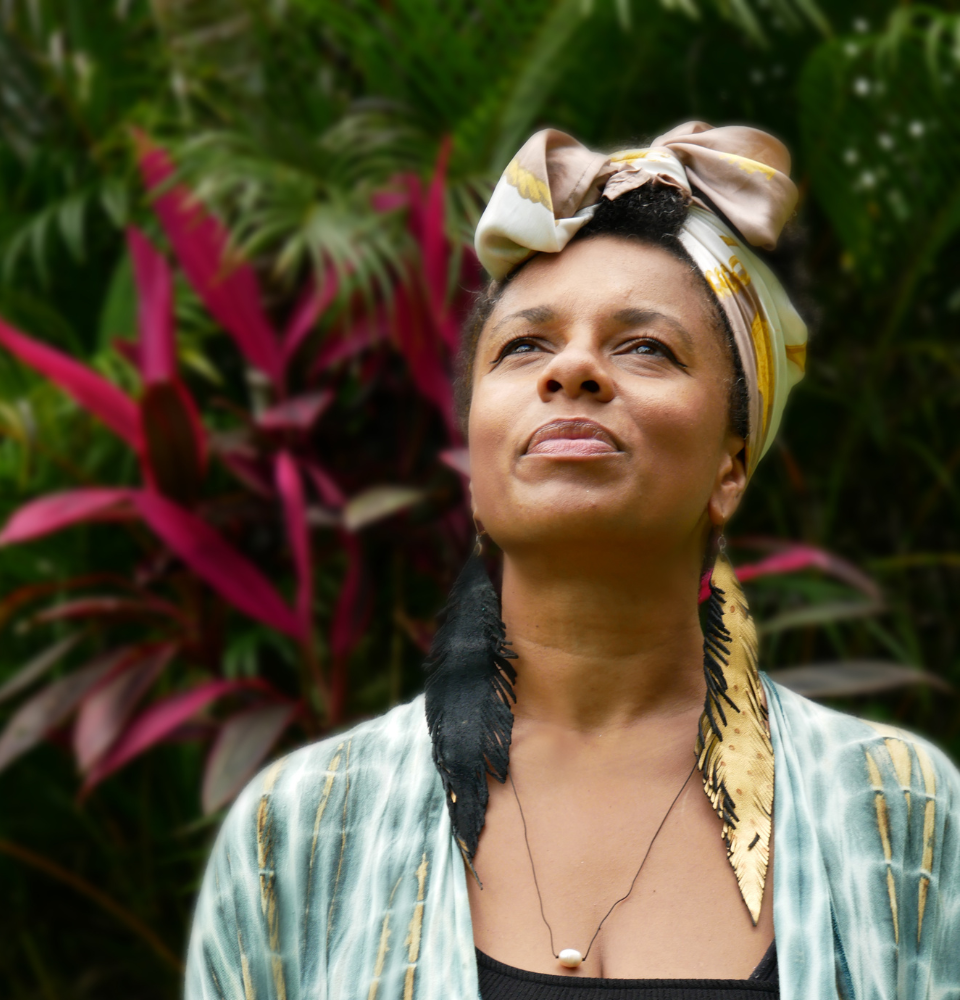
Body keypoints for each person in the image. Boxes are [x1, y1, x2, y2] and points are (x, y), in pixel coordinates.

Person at [184, 124, 960, 1000]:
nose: (576, 368)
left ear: (731, 466)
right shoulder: (304, 830)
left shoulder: (905, 817)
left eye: (645, 347)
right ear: (476, 461)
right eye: (525, 346)